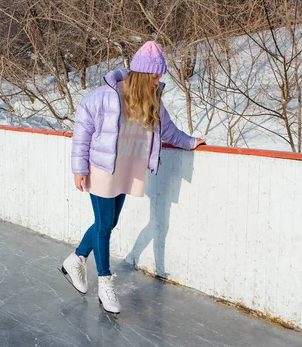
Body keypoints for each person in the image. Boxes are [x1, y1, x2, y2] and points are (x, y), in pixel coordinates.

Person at [61, 41, 205, 314]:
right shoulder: (103, 97)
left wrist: (190, 142)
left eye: (160, 75)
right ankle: (105, 284)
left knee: (110, 221)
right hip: (102, 167)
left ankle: (77, 258)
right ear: (141, 73)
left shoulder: (153, 101)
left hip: (127, 168)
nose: (158, 80)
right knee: (104, 226)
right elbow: (82, 134)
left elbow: (169, 131)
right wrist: (79, 168)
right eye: (154, 75)